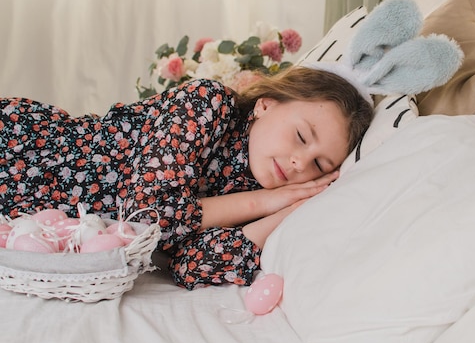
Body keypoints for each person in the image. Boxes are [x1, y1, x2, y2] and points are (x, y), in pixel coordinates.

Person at [0, 66, 373, 289]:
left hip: (31, 219)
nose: (298, 164)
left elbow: (189, 265)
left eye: (319, 166)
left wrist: (290, 209)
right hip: (24, 150)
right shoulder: (207, 103)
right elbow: (144, 220)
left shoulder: (255, 191)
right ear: (266, 104)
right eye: (301, 137)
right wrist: (264, 202)